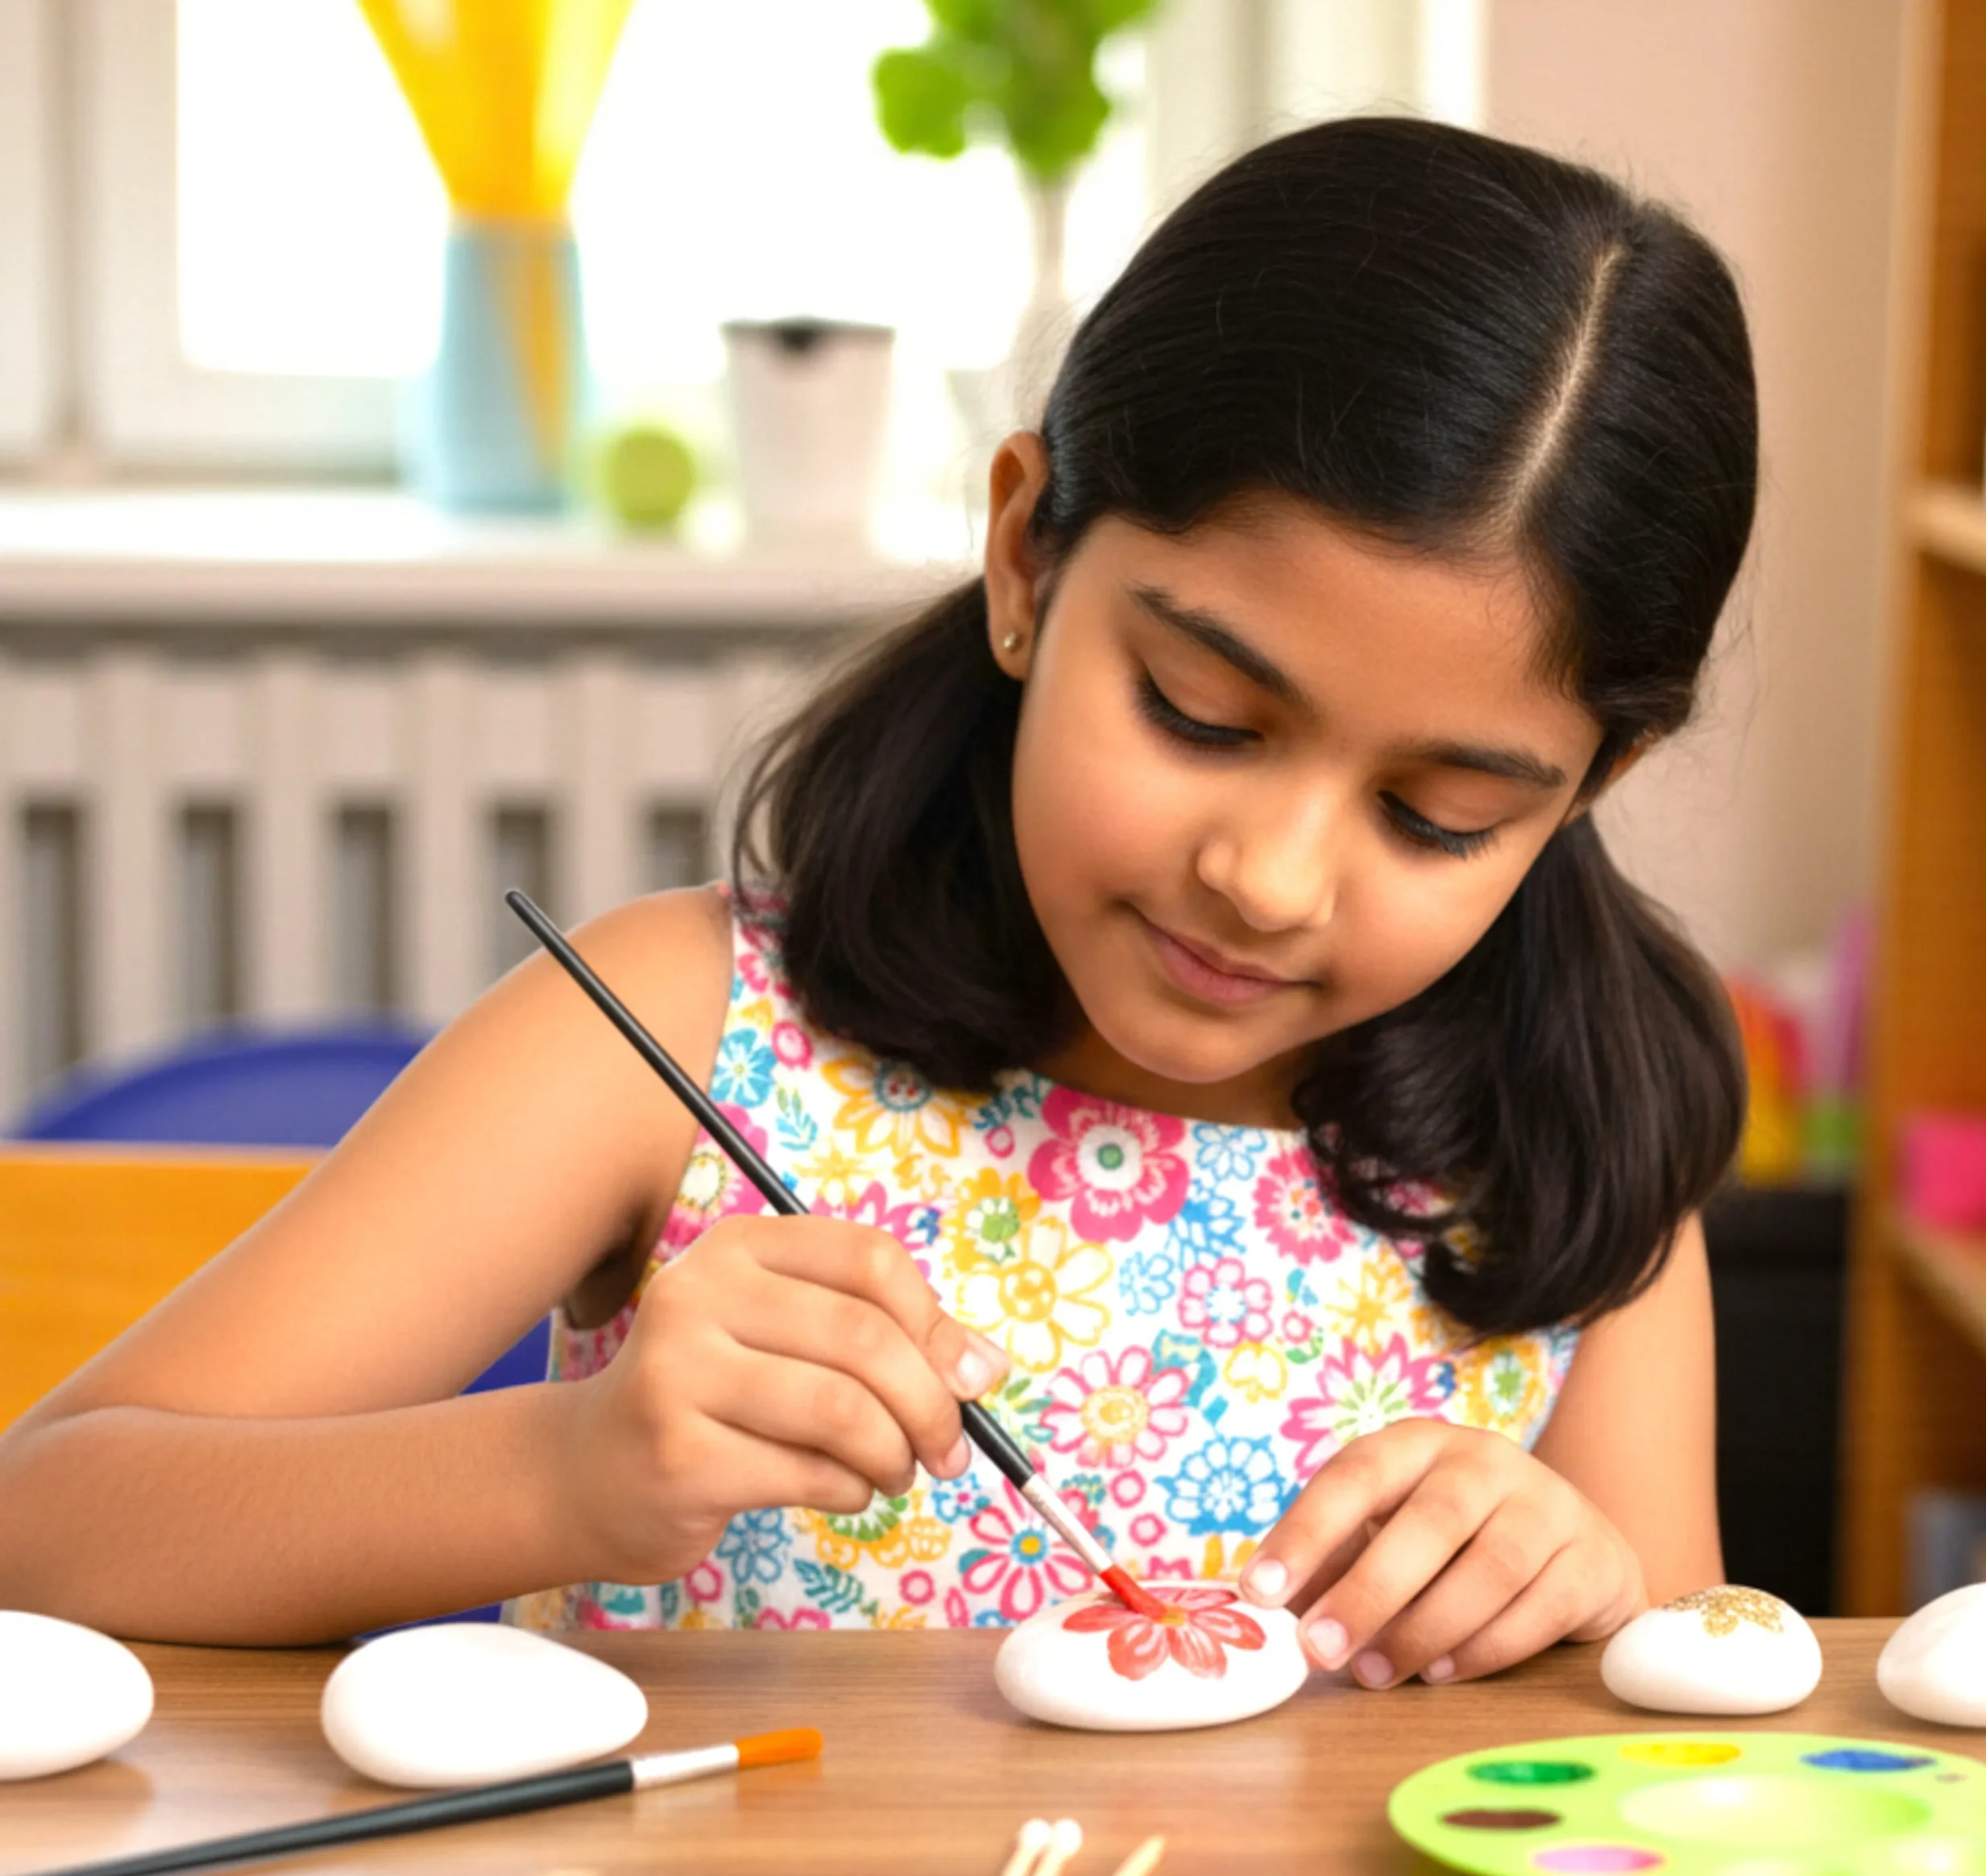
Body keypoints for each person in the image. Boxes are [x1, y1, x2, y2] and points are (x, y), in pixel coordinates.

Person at [0, 118, 1753, 1691]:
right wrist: (567, 1468)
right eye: (1199, 716)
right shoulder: (682, 1030)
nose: (1267, 877)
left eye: (1435, 815)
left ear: (1581, 790)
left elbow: (1657, 1762)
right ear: (1024, 559)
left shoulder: (1574, 1154)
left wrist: (1589, 1595)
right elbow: (43, 1528)